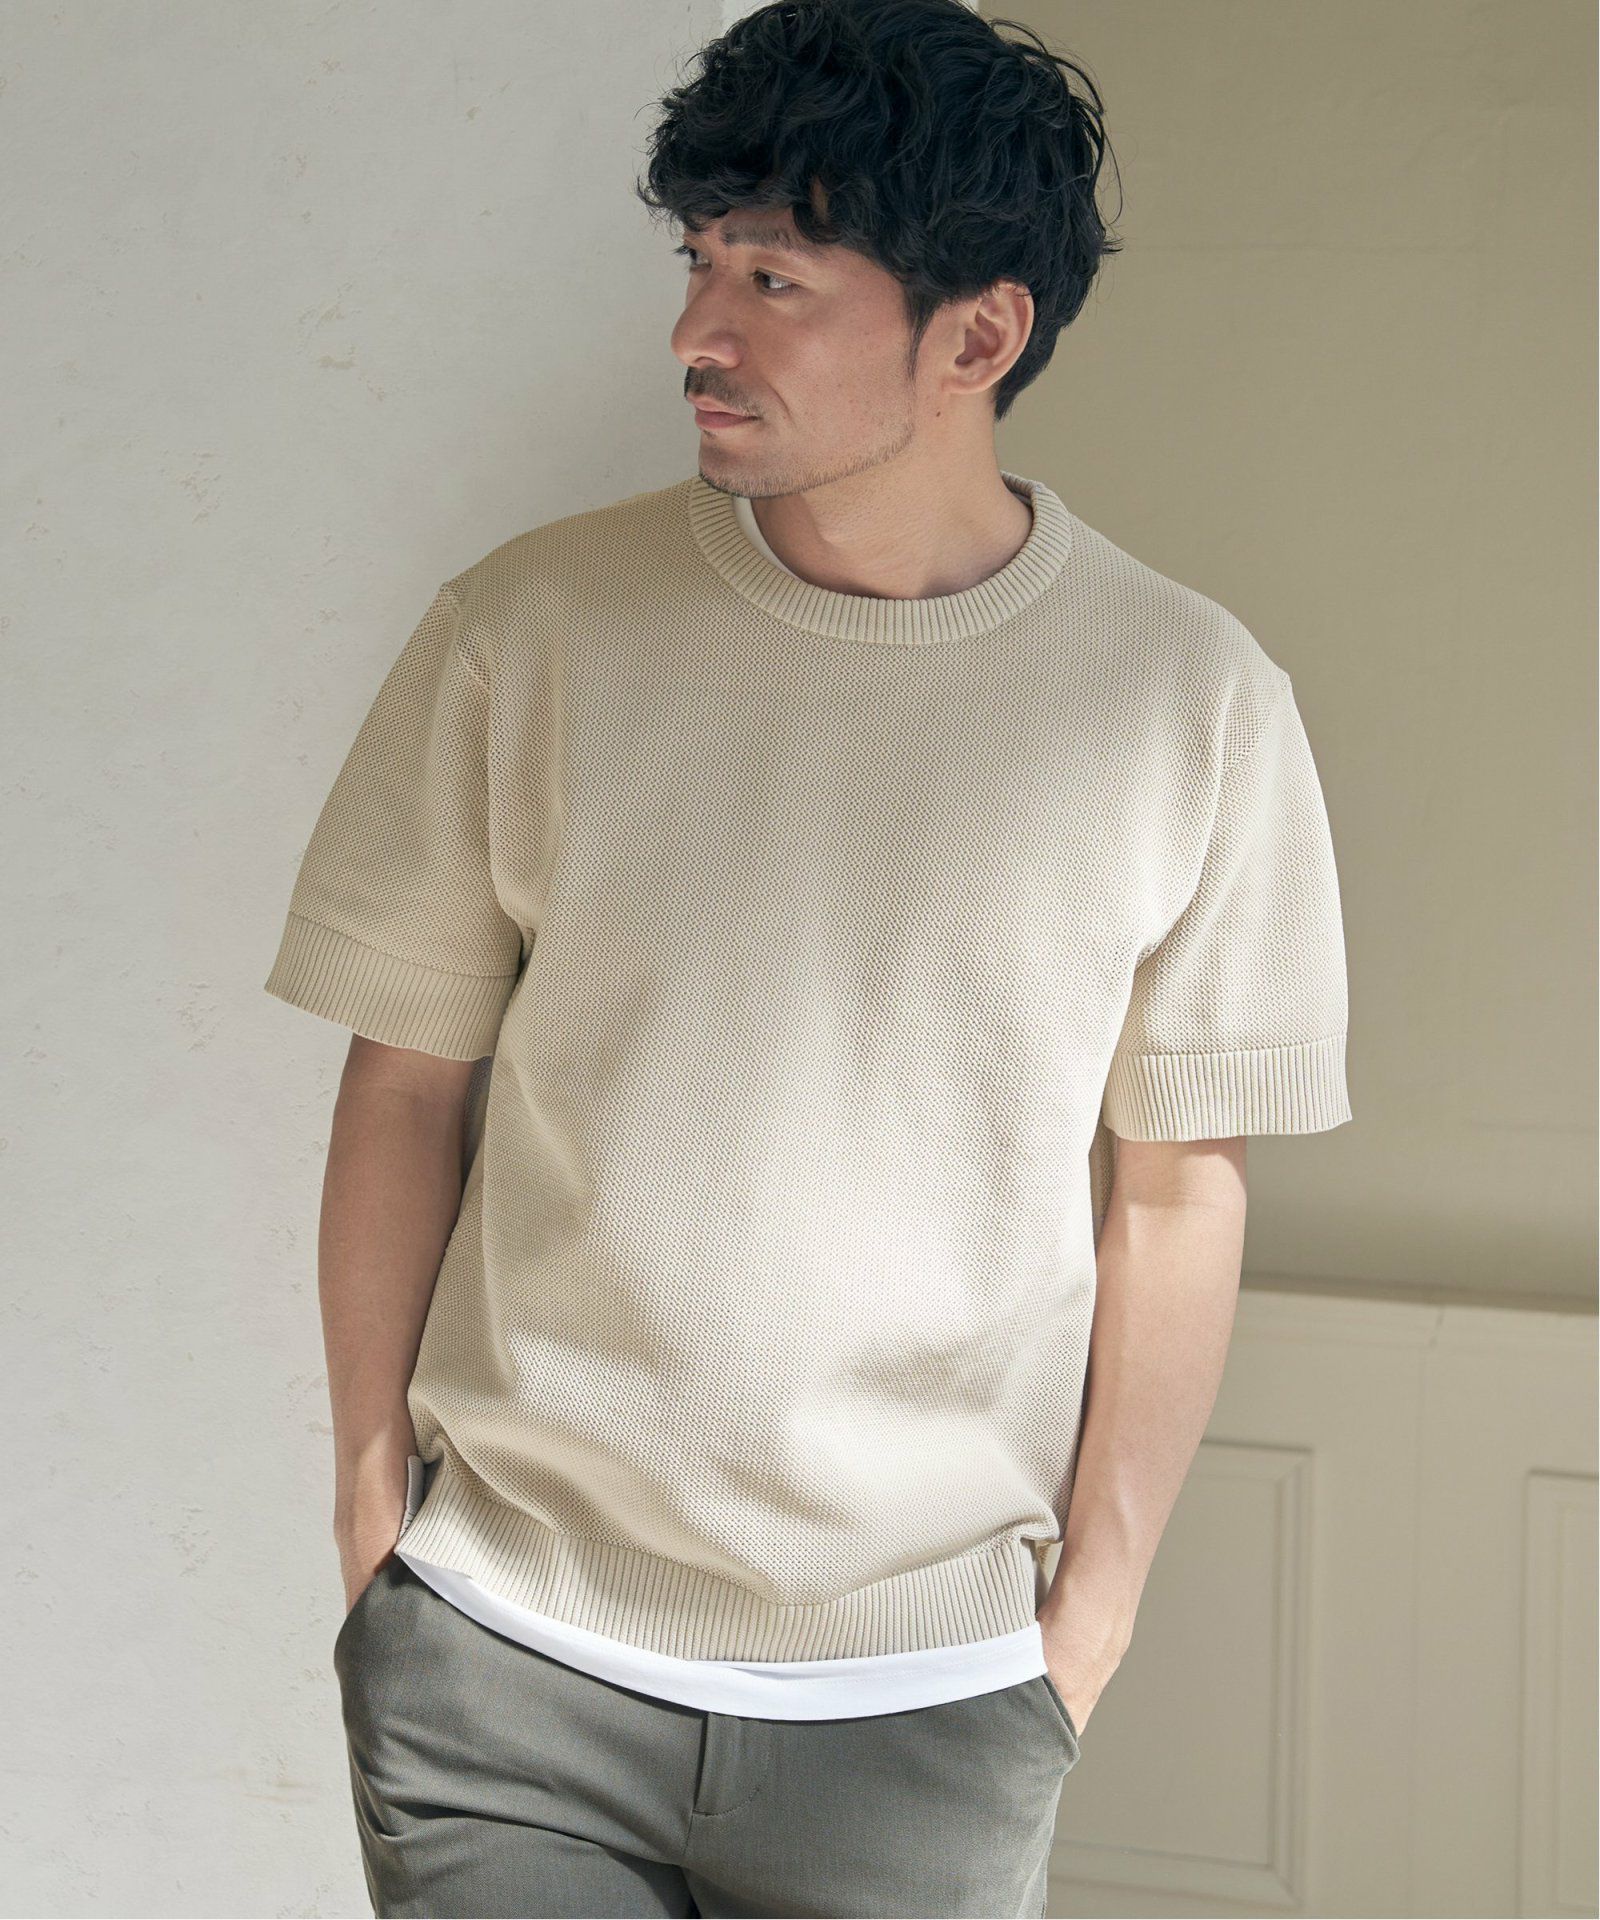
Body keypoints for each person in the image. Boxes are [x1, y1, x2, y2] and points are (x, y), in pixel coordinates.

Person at [263, 2, 1352, 1914]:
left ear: (978, 338)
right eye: (700, 264)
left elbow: (1183, 1188)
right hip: (505, 1661)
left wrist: (1086, 1625)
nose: (700, 330)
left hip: (927, 1712)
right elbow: (405, 1083)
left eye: (773, 278)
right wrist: (374, 1518)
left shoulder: (1191, 705)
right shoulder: (529, 629)